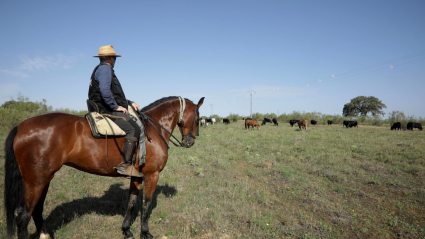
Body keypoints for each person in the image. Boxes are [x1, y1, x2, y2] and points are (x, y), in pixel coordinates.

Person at [88, 45, 143, 177]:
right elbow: (105, 91)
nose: (114, 60)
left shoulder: (102, 69)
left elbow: (114, 94)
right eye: (114, 58)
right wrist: (115, 107)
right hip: (106, 109)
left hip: (104, 106)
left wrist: (129, 103)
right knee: (134, 128)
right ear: (111, 58)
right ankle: (125, 165)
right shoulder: (105, 69)